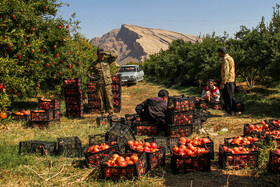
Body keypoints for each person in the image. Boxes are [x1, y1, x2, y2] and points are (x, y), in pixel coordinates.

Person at [87, 48, 118, 115]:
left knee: (109, 98)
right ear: (97, 54)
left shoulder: (107, 61)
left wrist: (107, 53)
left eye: (102, 54)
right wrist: (93, 78)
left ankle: (111, 112)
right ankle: (102, 113)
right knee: (100, 99)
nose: (101, 56)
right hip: (99, 83)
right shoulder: (95, 64)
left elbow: (115, 56)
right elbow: (88, 72)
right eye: (100, 54)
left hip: (107, 83)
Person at [218, 47, 236, 116]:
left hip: (227, 81)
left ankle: (229, 112)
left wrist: (223, 82)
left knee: (227, 97)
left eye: (219, 53)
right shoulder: (230, 58)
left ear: (221, 52)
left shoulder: (225, 59)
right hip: (231, 80)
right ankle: (233, 110)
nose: (218, 54)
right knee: (230, 96)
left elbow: (226, 71)